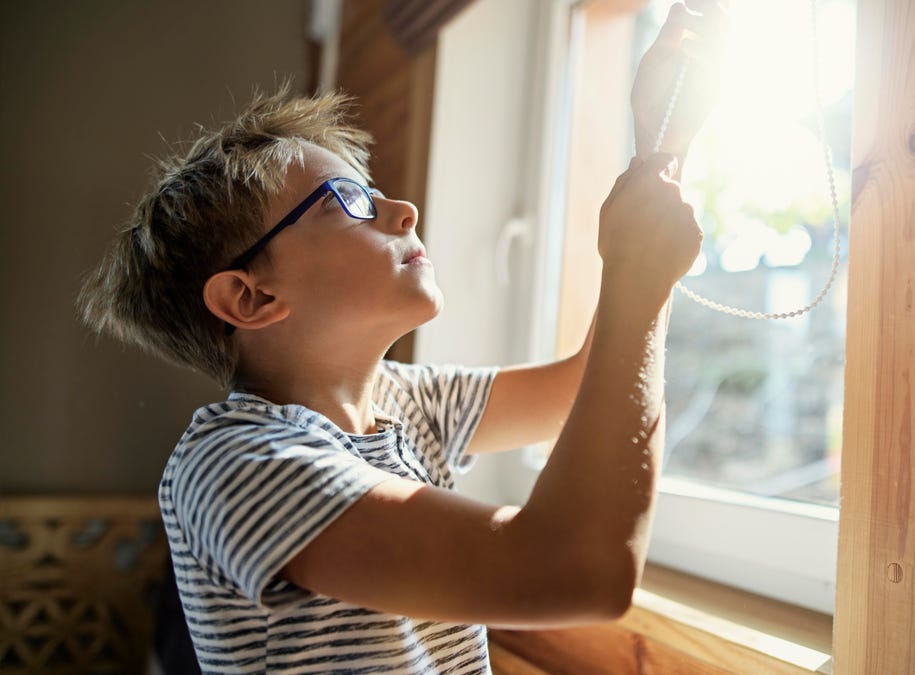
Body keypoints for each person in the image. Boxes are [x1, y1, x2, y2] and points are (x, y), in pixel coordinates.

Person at [78, 2, 724, 673]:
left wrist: (660, 151)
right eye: (348, 201)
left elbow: (582, 388)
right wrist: (634, 275)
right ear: (252, 295)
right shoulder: (233, 464)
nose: (403, 209)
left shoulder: (402, 402)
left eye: (375, 190)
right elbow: (580, 570)